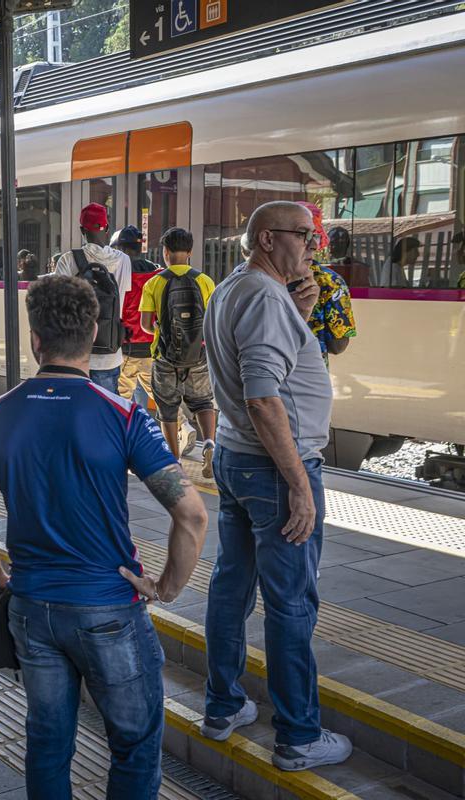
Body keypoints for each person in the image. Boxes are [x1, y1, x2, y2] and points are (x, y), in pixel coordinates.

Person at [0, 275, 207, 800]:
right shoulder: (120, 414)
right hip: (109, 610)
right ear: (96, 333)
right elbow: (192, 515)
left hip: (30, 604)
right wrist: (166, 588)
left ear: (34, 338)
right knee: (134, 744)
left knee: (48, 742)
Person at [201, 201, 352, 771]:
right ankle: (297, 736)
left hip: (237, 459)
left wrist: (293, 310)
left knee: (232, 587)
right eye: (305, 238)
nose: (313, 249)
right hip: (273, 467)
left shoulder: (237, 288)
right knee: (291, 604)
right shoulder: (264, 299)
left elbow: (256, 364)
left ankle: (223, 706)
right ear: (268, 239)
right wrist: (299, 485)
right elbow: (264, 398)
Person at [139, 228, 218, 475]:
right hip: (198, 356)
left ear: (165, 252)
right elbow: (211, 321)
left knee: (167, 409)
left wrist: (165, 333)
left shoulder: (155, 282)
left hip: (165, 358)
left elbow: (144, 324)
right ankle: (209, 445)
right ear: (190, 252)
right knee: (204, 402)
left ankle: (175, 460)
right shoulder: (205, 281)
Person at [55, 203, 132, 394]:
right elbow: (123, 296)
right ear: (107, 228)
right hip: (109, 354)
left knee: (75, 414)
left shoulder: (68, 260)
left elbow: (56, 304)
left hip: (74, 354)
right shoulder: (123, 260)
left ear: (82, 230)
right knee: (105, 415)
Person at [296, 203, 356, 365]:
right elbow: (338, 346)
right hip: (310, 378)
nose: (314, 244)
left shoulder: (251, 277)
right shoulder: (330, 281)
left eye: (314, 236)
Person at [111, 226, 159, 409]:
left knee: (119, 400)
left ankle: (121, 435)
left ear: (121, 249)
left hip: (127, 347)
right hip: (151, 345)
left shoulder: (118, 275)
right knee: (160, 396)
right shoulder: (156, 273)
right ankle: (183, 427)